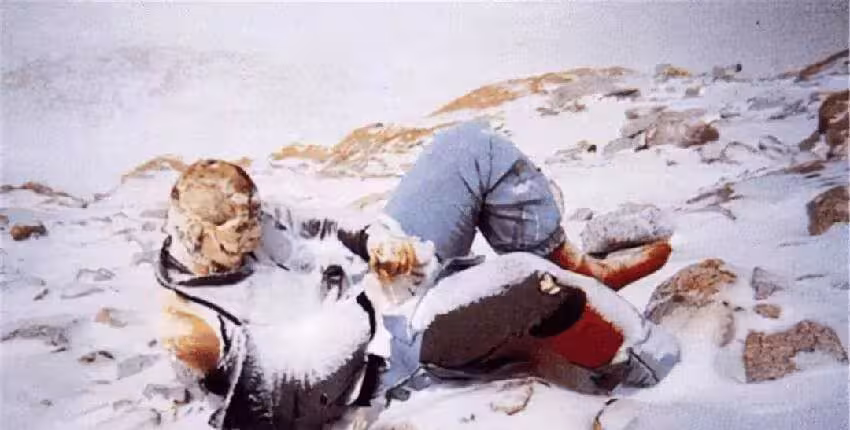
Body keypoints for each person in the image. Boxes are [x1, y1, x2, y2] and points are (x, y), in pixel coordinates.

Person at [156, 122, 678, 429]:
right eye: (240, 232)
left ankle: (582, 268)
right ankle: (663, 374)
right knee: (530, 284)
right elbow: (290, 402)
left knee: (471, 148)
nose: (254, 235)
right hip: (388, 347)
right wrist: (373, 302)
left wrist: (377, 242)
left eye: (256, 222)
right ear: (196, 234)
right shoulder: (195, 328)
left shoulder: (250, 219)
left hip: (379, 279)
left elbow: (323, 226)